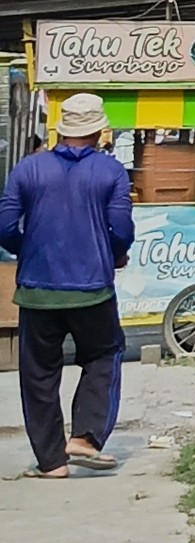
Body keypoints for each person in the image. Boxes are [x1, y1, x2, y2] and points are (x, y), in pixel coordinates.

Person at [0, 93, 135, 478]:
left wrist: (26, 250)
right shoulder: (111, 172)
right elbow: (121, 230)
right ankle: (85, 437)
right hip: (92, 288)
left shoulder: (28, 169)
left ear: (61, 128)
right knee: (104, 354)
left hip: (37, 290)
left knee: (39, 373)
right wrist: (113, 254)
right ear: (97, 130)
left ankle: (52, 463)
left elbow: (5, 226)